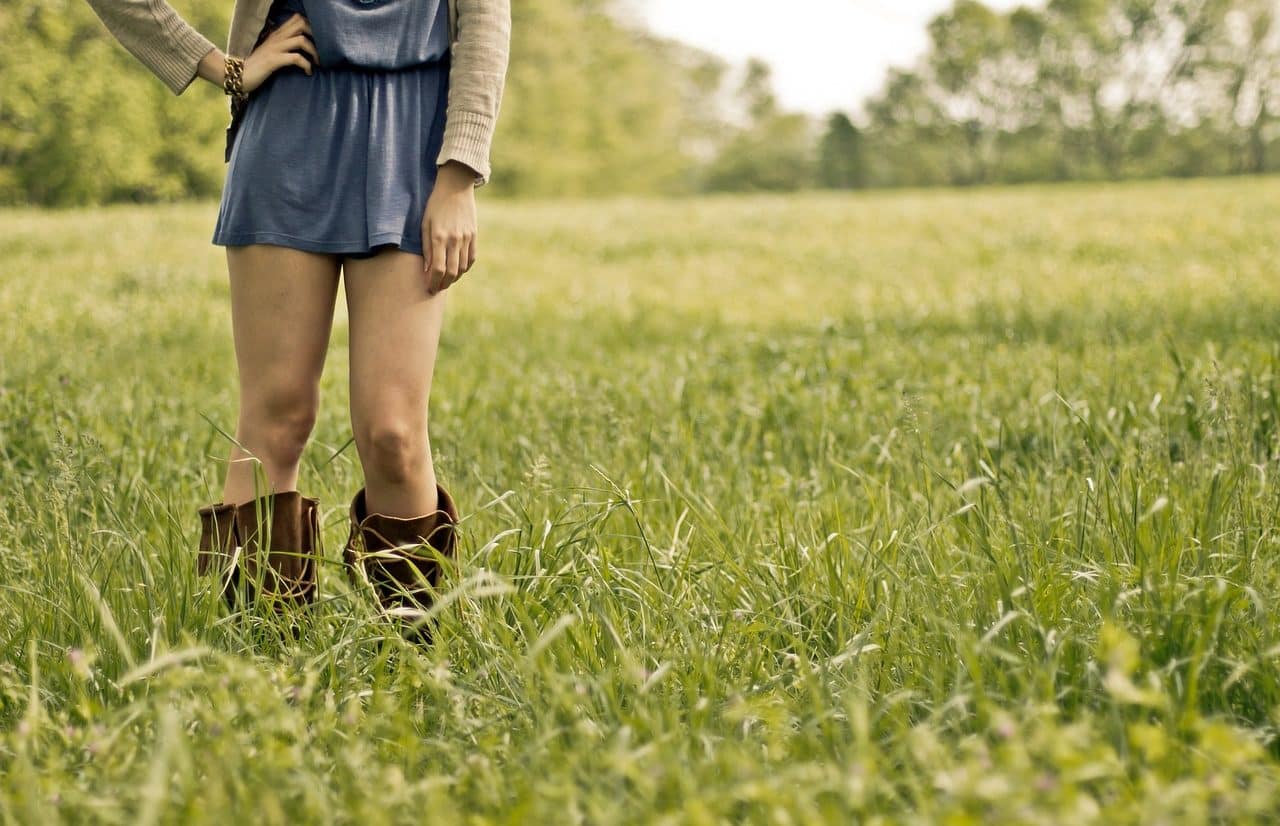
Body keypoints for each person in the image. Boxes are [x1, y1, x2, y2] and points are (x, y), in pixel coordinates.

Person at [82, 0, 511, 640]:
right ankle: (268, 668)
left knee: (393, 432)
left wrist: (459, 174)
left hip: (414, 138)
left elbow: (484, 20)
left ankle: (409, 672)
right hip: (289, 127)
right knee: (276, 418)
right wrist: (222, 69)